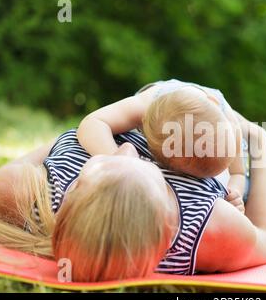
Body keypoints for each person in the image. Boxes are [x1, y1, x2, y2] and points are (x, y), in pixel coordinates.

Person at [0, 111, 266, 282]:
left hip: (148, 114)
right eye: (146, 164)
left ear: (71, 195)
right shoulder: (211, 228)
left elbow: (56, 143)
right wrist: (260, 144)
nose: (130, 150)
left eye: (108, 162)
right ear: (170, 225)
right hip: (214, 146)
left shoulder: (23, 194)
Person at [77, 79, 246, 210]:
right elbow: (93, 122)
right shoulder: (145, 105)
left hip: (192, 110)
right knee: (77, 136)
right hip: (158, 104)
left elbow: (238, 172)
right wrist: (119, 161)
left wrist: (233, 193)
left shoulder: (230, 124)